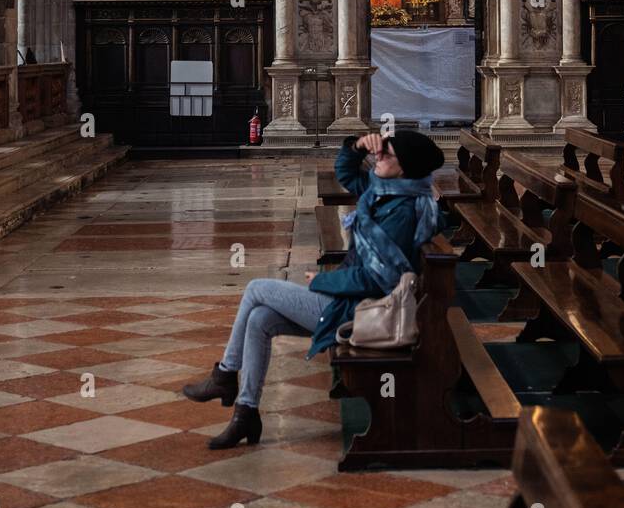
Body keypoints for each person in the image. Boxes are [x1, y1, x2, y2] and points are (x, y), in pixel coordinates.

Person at [181, 128, 444, 451]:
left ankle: (224, 376)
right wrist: (358, 145)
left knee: (255, 288)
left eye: (387, 154)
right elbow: (346, 172)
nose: (379, 156)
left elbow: (380, 280)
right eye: (380, 151)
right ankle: (245, 412)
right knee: (259, 319)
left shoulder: (401, 210)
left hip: (361, 311)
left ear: (407, 167)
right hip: (353, 299)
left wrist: (322, 280)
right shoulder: (387, 191)